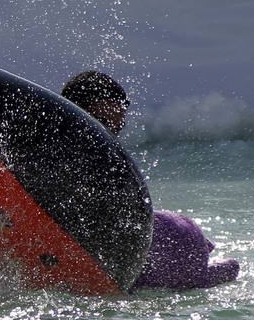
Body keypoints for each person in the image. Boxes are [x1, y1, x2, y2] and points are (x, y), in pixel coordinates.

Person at [61, 72, 238, 290]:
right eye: (102, 122)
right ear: (72, 113)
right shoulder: (50, 148)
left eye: (116, 128)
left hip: (172, 241)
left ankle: (212, 269)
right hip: (152, 242)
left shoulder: (110, 162)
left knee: (220, 269)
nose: (107, 134)